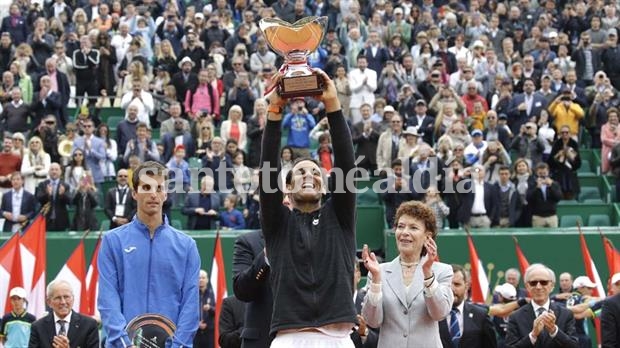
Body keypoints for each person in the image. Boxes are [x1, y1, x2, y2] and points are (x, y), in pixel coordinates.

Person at [260, 69, 358, 347]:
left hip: (338, 338)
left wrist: (333, 106)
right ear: (287, 189)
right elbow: (268, 171)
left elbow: (347, 165)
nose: (309, 175)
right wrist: (275, 110)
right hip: (289, 337)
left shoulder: (340, 217)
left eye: (316, 173)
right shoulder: (277, 223)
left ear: (326, 187)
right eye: (300, 172)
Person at [98, 161, 200, 347]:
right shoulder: (112, 241)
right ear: (134, 193)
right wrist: (124, 344)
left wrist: (177, 346)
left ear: (165, 193)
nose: (153, 194)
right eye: (146, 187)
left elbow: (191, 305)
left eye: (159, 187)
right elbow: (108, 300)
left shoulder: (187, 246)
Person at [362, 201, 453, 347]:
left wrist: (428, 273)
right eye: (401, 226)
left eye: (413, 227)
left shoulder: (442, 271)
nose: (404, 232)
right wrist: (377, 280)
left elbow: (439, 313)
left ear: (427, 236)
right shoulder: (379, 271)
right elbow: (372, 321)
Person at [505, 263, 578, 348]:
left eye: (544, 282)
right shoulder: (515, 317)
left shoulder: (566, 314)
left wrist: (554, 331)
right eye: (533, 283)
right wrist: (532, 335)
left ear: (552, 286)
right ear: (527, 286)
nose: (538, 287)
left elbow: (574, 346)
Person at [232, 230, 274, 348]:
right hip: (263, 339)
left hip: (310, 335)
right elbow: (242, 291)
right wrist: (265, 256)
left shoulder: (315, 238)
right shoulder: (248, 241)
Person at [28, 279, 99, 348]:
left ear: (73, 299)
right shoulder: (38, 327)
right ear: (49, 302)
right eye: (58, 298)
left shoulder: (89, 325)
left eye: (66, 297)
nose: (63, 302)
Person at [439, 264, 497, 348]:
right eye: (447, 285)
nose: (451, 289)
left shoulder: (480, 315)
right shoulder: (431, 315)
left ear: (466, 287)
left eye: (457, 284)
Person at [35, 163, 72, 231]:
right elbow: (39, 199)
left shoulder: (65, 185)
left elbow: (69, 201)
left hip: (61, 220)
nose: (54, 172)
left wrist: (62, 194)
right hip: (45, 219)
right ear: (49, 172)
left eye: (56, 170)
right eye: (52, 170)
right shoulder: (42, 184)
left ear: (60, 172)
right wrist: (47, 194)